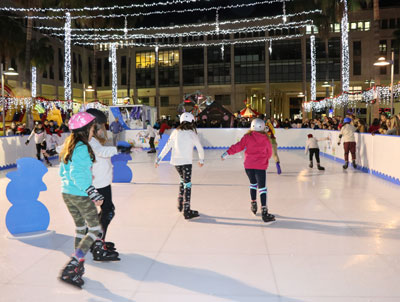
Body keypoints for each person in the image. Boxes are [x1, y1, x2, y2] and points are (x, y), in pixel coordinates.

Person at [58, 112, 105, 288]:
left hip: (67, 193)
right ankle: (72, 266)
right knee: (94, 229)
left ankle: (78, 267)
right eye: (93, 128)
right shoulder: (82, 148)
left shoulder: (69, 145)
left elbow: (63, 172)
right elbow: (77, 174)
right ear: (86, 129)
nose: (94, 131)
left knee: (80, 228)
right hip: (79, 194)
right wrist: (92, 192)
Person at [221, 118, 275, 223]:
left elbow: (238, 146)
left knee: (253, 184)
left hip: (249, 166)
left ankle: (253, 203)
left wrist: (227, 153)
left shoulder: (247, 137)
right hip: (260, 166)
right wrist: (264, 160)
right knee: (262, 188)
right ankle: (264, 210)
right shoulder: (265, 138)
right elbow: (269, 152)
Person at [86, 108, 122, 260]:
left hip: (100, 181)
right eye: (102, 126)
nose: (104, 129)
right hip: (99, 183)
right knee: (108, 210)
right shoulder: (91, 141)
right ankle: (98, 247)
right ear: (94, 126)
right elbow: (101, 152)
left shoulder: (88, 139)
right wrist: (120, 149)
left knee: (106, 210)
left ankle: (94, 240)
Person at [155, 112, 204, 219]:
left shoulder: (175, 132)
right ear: (191, 121)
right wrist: (201, 160)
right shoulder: (191, 133)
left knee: (182, 180)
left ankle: (180, 201)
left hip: (176, 162)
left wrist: (159, 159)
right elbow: (199, 147)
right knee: (188, 184)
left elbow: (167, 146)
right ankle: (187, 210)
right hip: (186, 162)